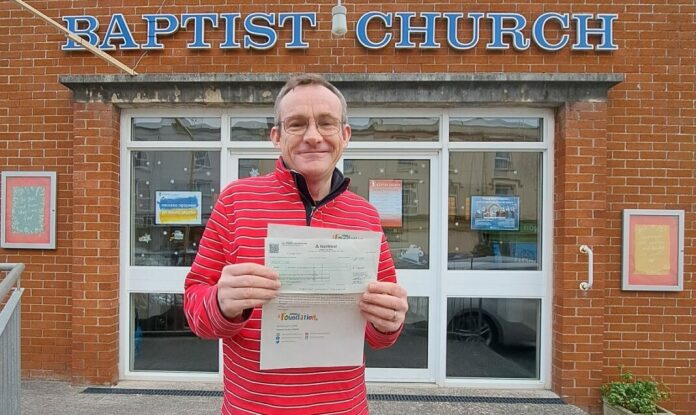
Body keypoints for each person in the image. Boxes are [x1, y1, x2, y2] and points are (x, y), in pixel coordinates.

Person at [184, 73, 409, 415]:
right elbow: (195, 307)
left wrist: (389, 320)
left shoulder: (365, 215)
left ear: (345, 135)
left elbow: (381, 336)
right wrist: (220, 301)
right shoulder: (236, 201)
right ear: (276, 136)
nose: (313, 136)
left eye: (326, 123)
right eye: (297, 124)